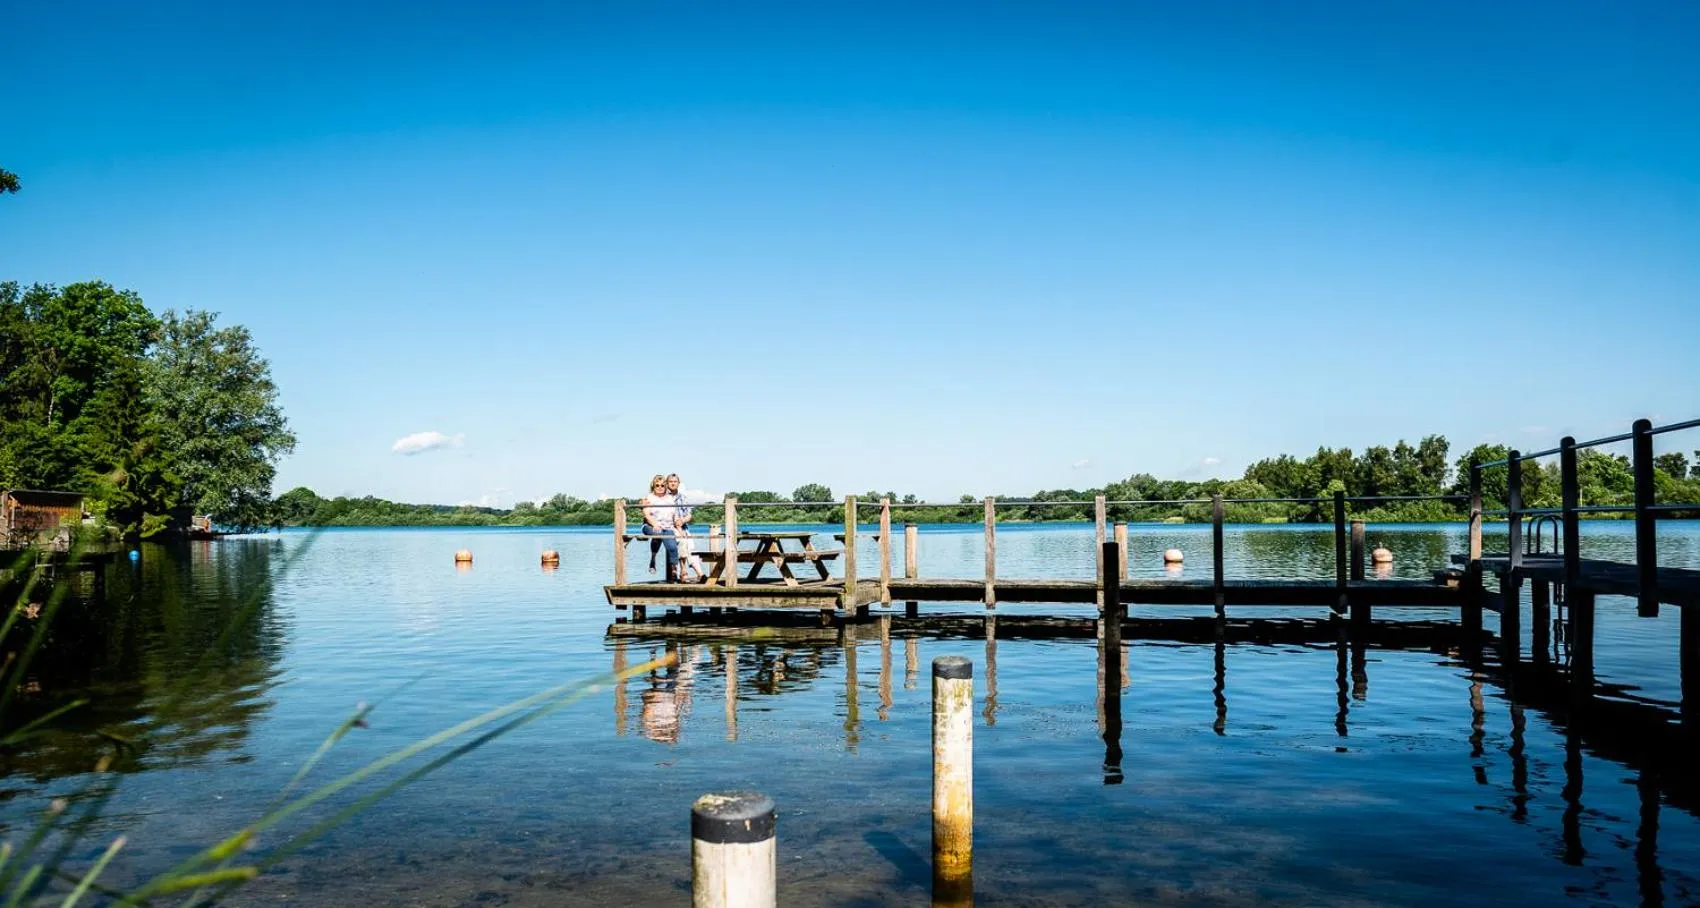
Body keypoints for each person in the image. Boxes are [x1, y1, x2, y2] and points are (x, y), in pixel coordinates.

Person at [639, 474, 680, 581]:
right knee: (658, 533)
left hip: (667, 527)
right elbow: (647, 515)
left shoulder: (670, 498)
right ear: (653, 486)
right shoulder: (649, 498)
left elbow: (675, 515)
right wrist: (655, 524)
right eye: (657, 485)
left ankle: (674, 569)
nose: (660, 487)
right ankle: (653, 559)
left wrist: (678, 526)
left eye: (662, 485)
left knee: (672, 546)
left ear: (665, 486)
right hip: (650, 526)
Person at [667, 474, 707, 582]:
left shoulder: (682, 497)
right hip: (670, 528)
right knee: (682, 542)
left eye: (675, 481)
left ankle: (699, 574)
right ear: (667, 483)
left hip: (683, 527)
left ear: (678, 483)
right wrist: (677, 524)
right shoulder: (665, 498)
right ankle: (687, 573)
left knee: (691, 548)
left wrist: (682, 521)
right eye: (670, 481)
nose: (673, 483)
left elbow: (689, 515)